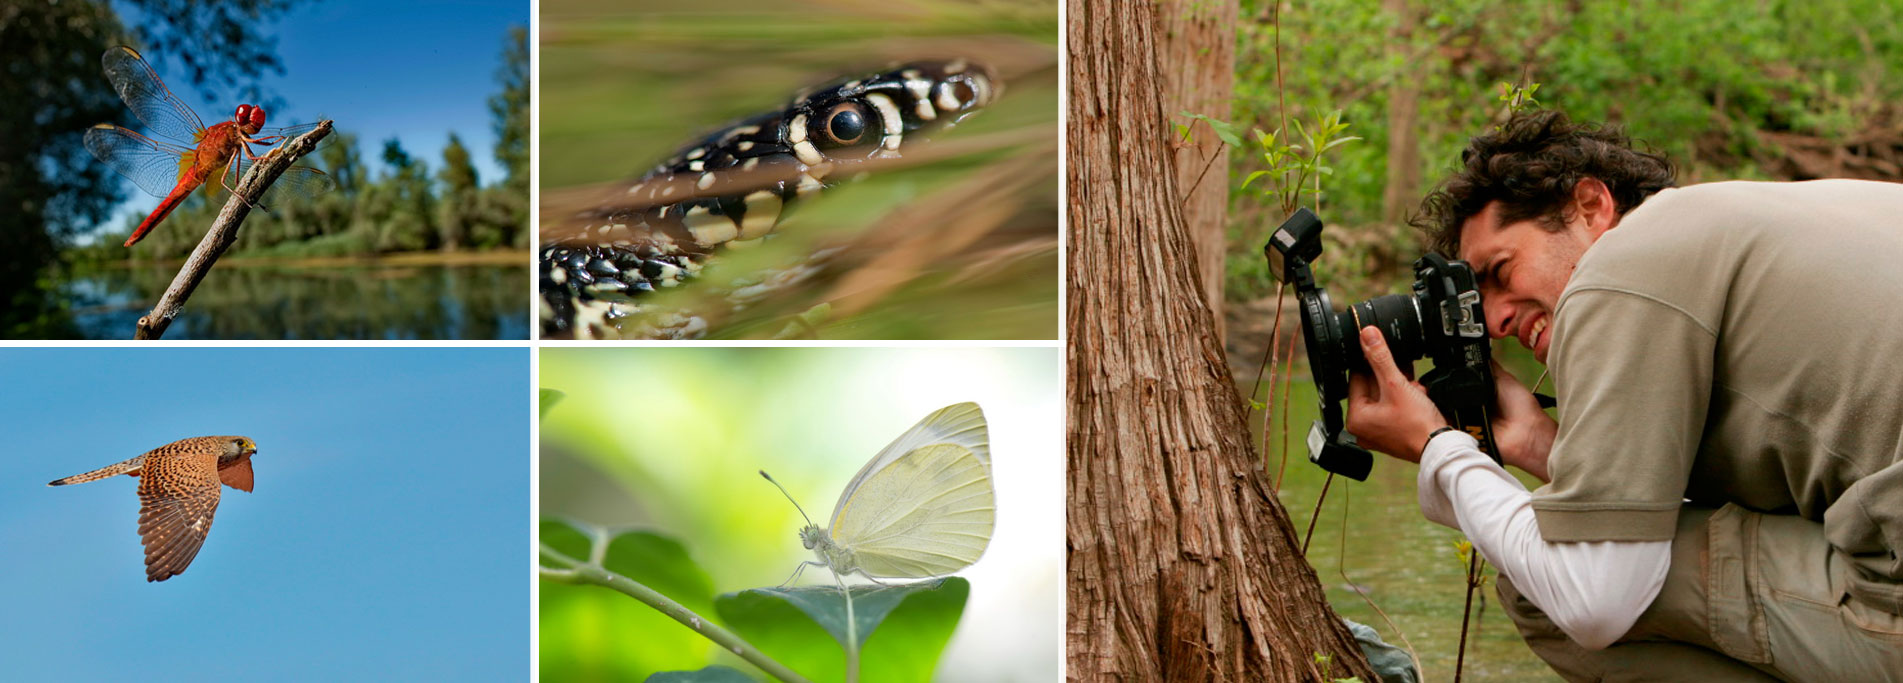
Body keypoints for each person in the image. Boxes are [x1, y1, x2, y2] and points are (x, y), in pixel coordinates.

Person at [1343, 109, 1903, 681]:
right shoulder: (1761, 219)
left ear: (1590, 206)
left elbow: (1597, 599)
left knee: (1543, 585)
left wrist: (1439, 449)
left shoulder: (1618, 269)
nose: (1494, 321)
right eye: (1477, 303)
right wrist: (1540, 444)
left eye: (1501, 271)